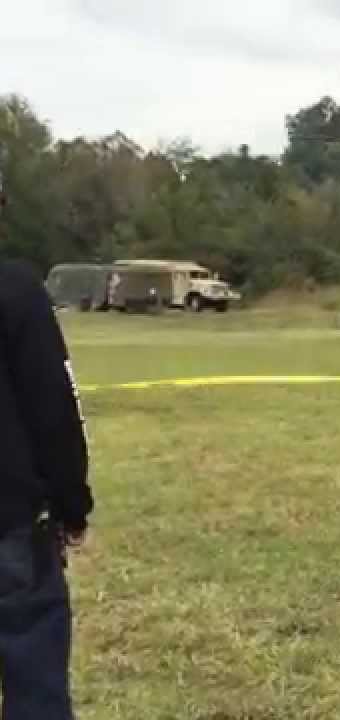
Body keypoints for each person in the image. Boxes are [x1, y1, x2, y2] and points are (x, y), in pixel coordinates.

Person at [0, 160, 94, 719]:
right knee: (36, 691)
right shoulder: (15, 290)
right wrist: (71, 504)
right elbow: (54, 407)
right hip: (11, 528)